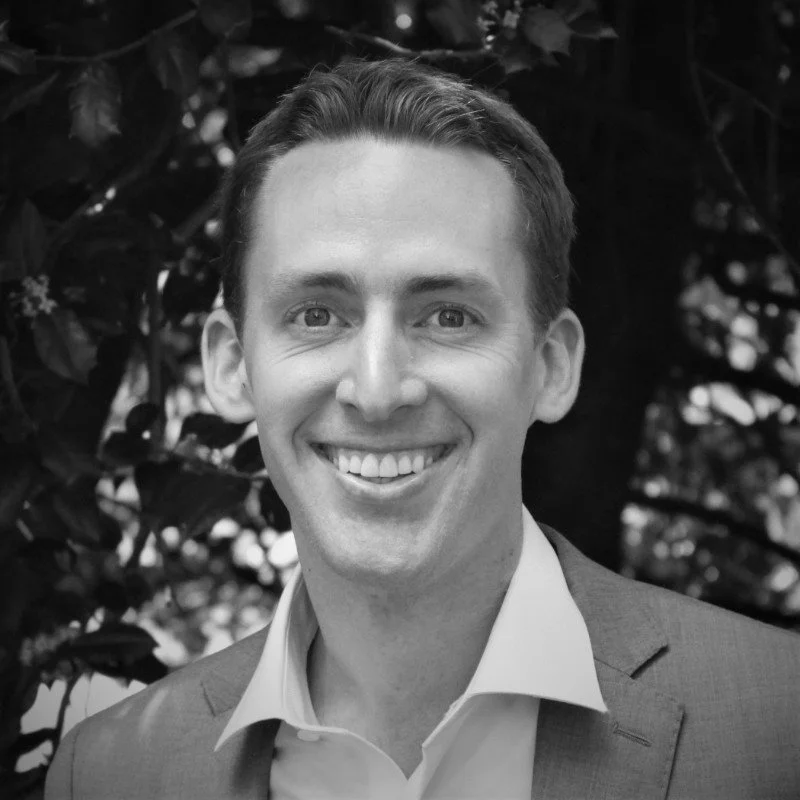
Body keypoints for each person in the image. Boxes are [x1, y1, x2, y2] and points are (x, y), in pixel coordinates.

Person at [45, 58, 800, 800]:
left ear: (551, 367)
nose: (377, 392)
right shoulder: (107, 775)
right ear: (233, 365)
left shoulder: (781, 721)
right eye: (317, 314)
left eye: (448, 317)